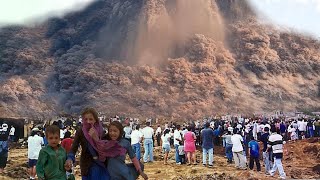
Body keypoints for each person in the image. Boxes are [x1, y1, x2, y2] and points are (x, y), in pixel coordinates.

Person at [65, 107, 125, 180]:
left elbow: (107, 147)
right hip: (87, 165)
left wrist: (96, 138)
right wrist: (70, 158)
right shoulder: (80, 132)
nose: (88, 121)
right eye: (86, 119)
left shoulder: (101, 131)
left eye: (91, 119)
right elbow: (74, 147)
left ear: (95, 120)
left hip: (101, 164)